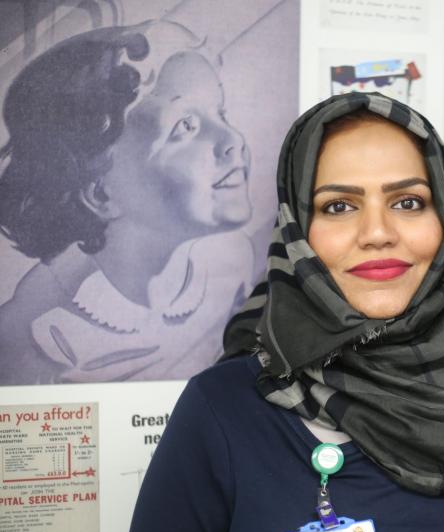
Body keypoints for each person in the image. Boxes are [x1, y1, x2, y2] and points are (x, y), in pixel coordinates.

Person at [127, 93, 444, 532]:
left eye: (408, 202)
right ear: (297, 229)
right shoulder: (221, 412)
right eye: (339, 206)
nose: (377, 233)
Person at [0, 21, 255, 384]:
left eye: (221, 114)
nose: (233, 140)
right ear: (100, 193)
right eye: (184, 127)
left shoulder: (233, 260)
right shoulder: (39, 336)